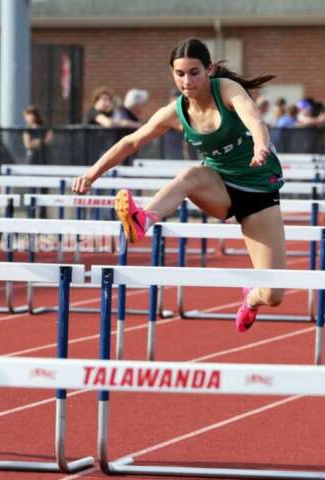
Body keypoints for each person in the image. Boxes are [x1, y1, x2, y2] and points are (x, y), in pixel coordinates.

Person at [72, 38, 285, 333]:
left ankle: (251, 298)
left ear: (209, 70)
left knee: (274, 295)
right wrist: (92, 174)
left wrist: (261, 146)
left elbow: (254, 120)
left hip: (259, 191)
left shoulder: (226, 90)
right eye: (180, 74)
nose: (187, 81)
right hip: (218, 187)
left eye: (194, 72)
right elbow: (130, 142)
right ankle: (142, 220)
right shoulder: (175, 112)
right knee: (190, 175)